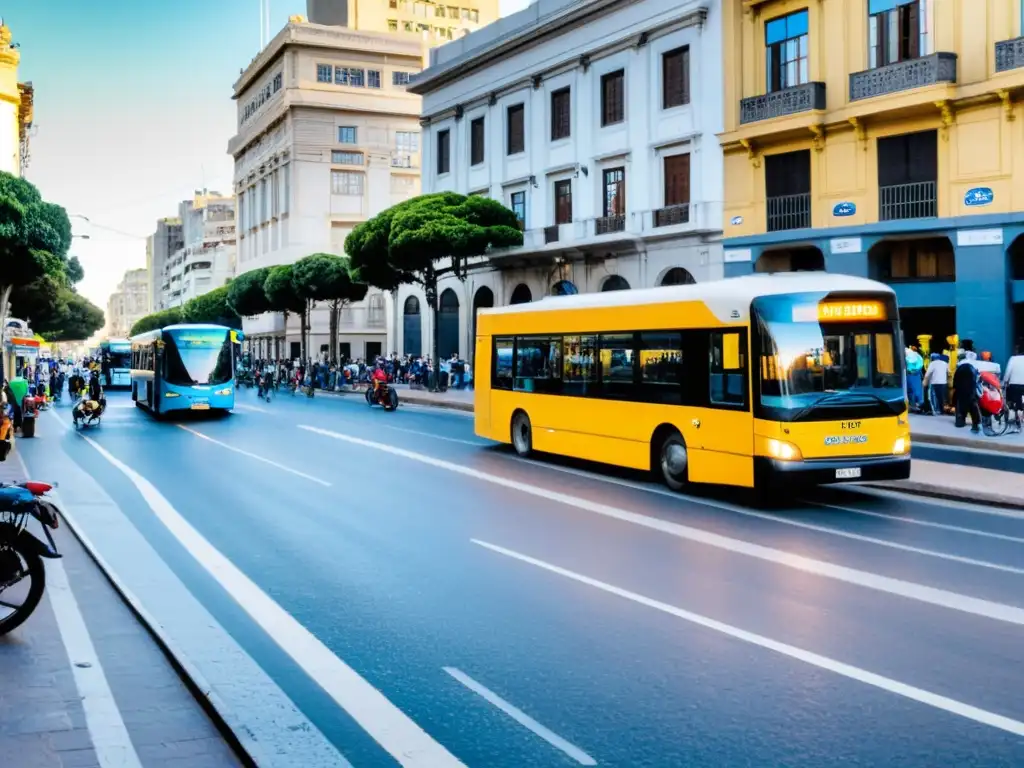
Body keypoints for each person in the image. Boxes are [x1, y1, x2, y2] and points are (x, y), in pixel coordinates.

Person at [952, 352, 982, 433]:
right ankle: (976, 422)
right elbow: (978, 378)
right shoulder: (975, 364)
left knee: (960, 403)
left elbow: (955, 379)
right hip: (970, 386)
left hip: (960, 386)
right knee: (972, 403)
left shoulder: (960, 364)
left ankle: (960, 421)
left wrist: (955, 386)